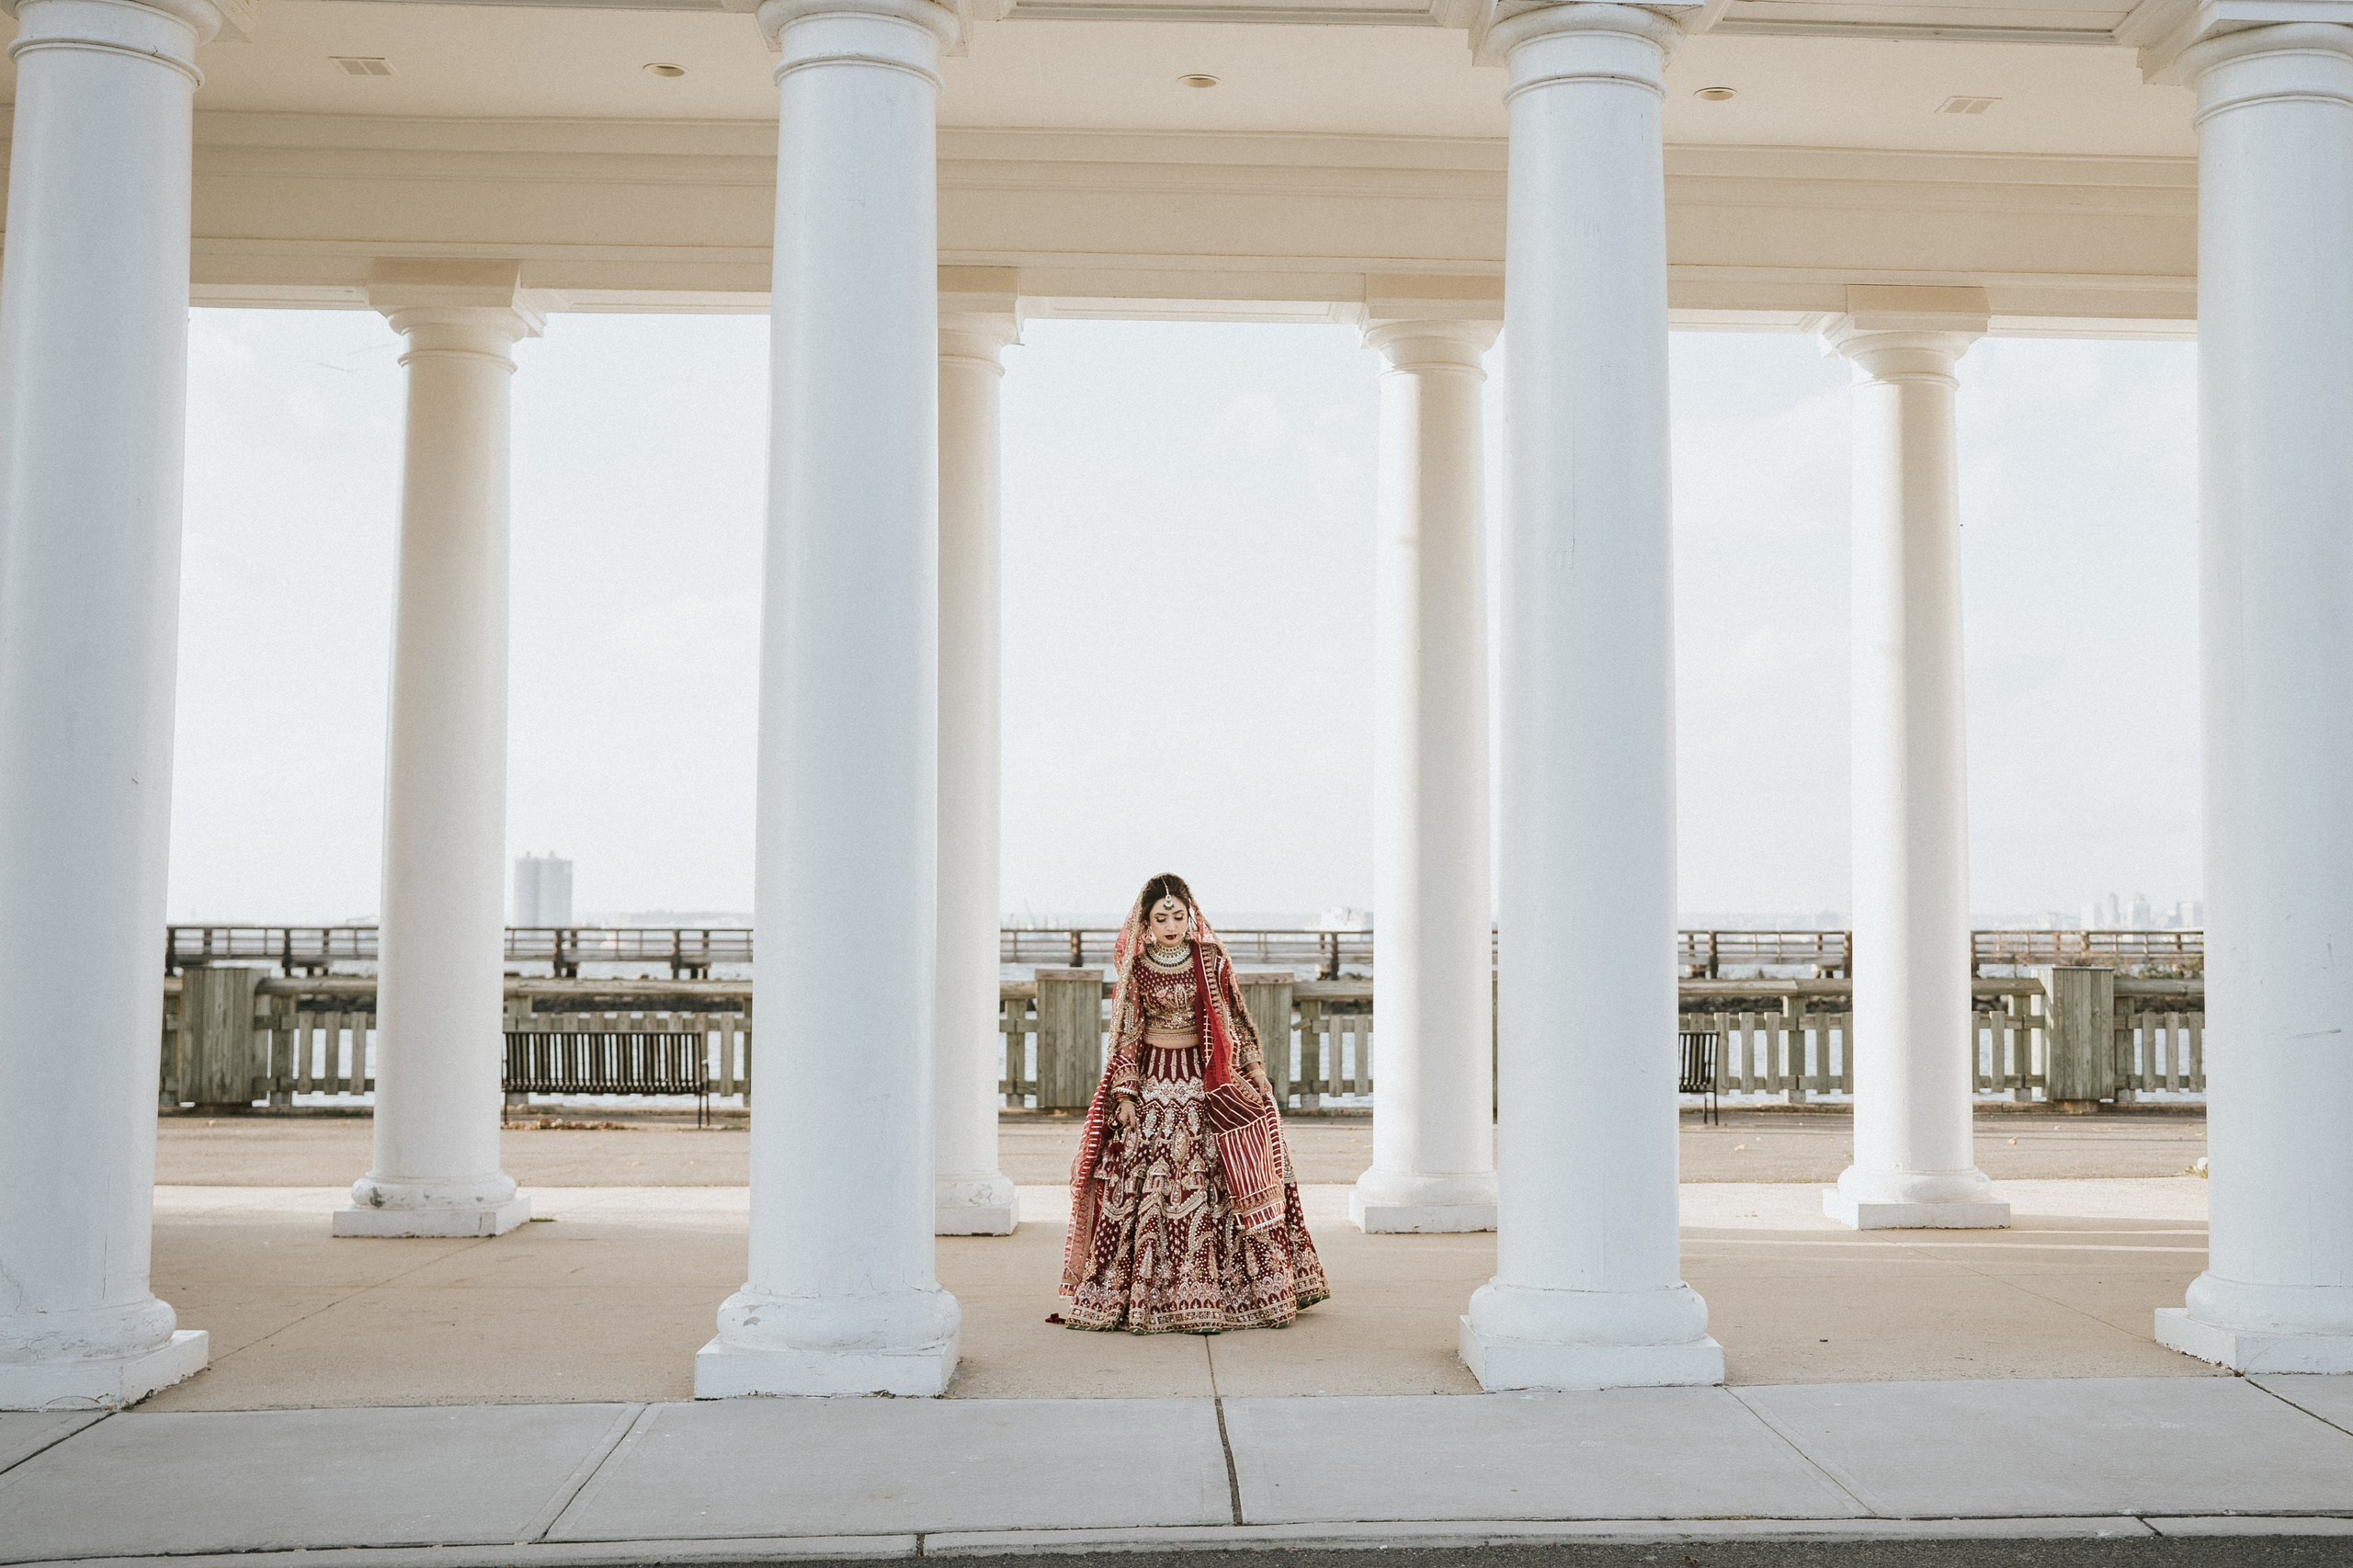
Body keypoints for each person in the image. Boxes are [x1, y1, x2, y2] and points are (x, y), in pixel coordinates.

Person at [1060, 872, 1330, 1333]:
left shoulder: (1212, 961)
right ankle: (1150, 1297)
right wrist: (1124, 1094)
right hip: (1154, 1088)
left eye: (1178, 916)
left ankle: (1232, 1293)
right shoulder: (1137, 967)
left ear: (1191, 917)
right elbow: (1127, 1031)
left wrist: (1254, 1070)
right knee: (1151, 1184)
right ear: (1145, 922)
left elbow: (1235, 1019)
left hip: (1205, 1084)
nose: (1170, 924)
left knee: (1224, 1178)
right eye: (1160, 917)